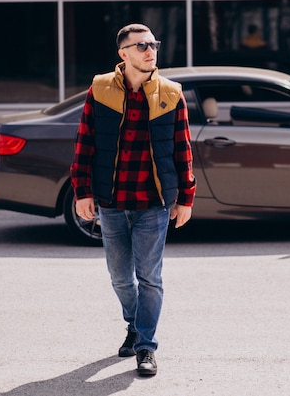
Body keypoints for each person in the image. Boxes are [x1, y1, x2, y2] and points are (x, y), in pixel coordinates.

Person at [70, 23, 196, 376]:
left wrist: (185, 198)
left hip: (152, 204)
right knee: (121, 278)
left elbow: (182, 150)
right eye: (140, 45)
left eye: (153, 44)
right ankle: (135, 323)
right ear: (122, 54)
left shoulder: (171, 93)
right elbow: (85, 144)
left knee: (150, 278)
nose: (149, 50)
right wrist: (82, 192)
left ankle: (145, 346)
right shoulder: (100, 89)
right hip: (111, 203)